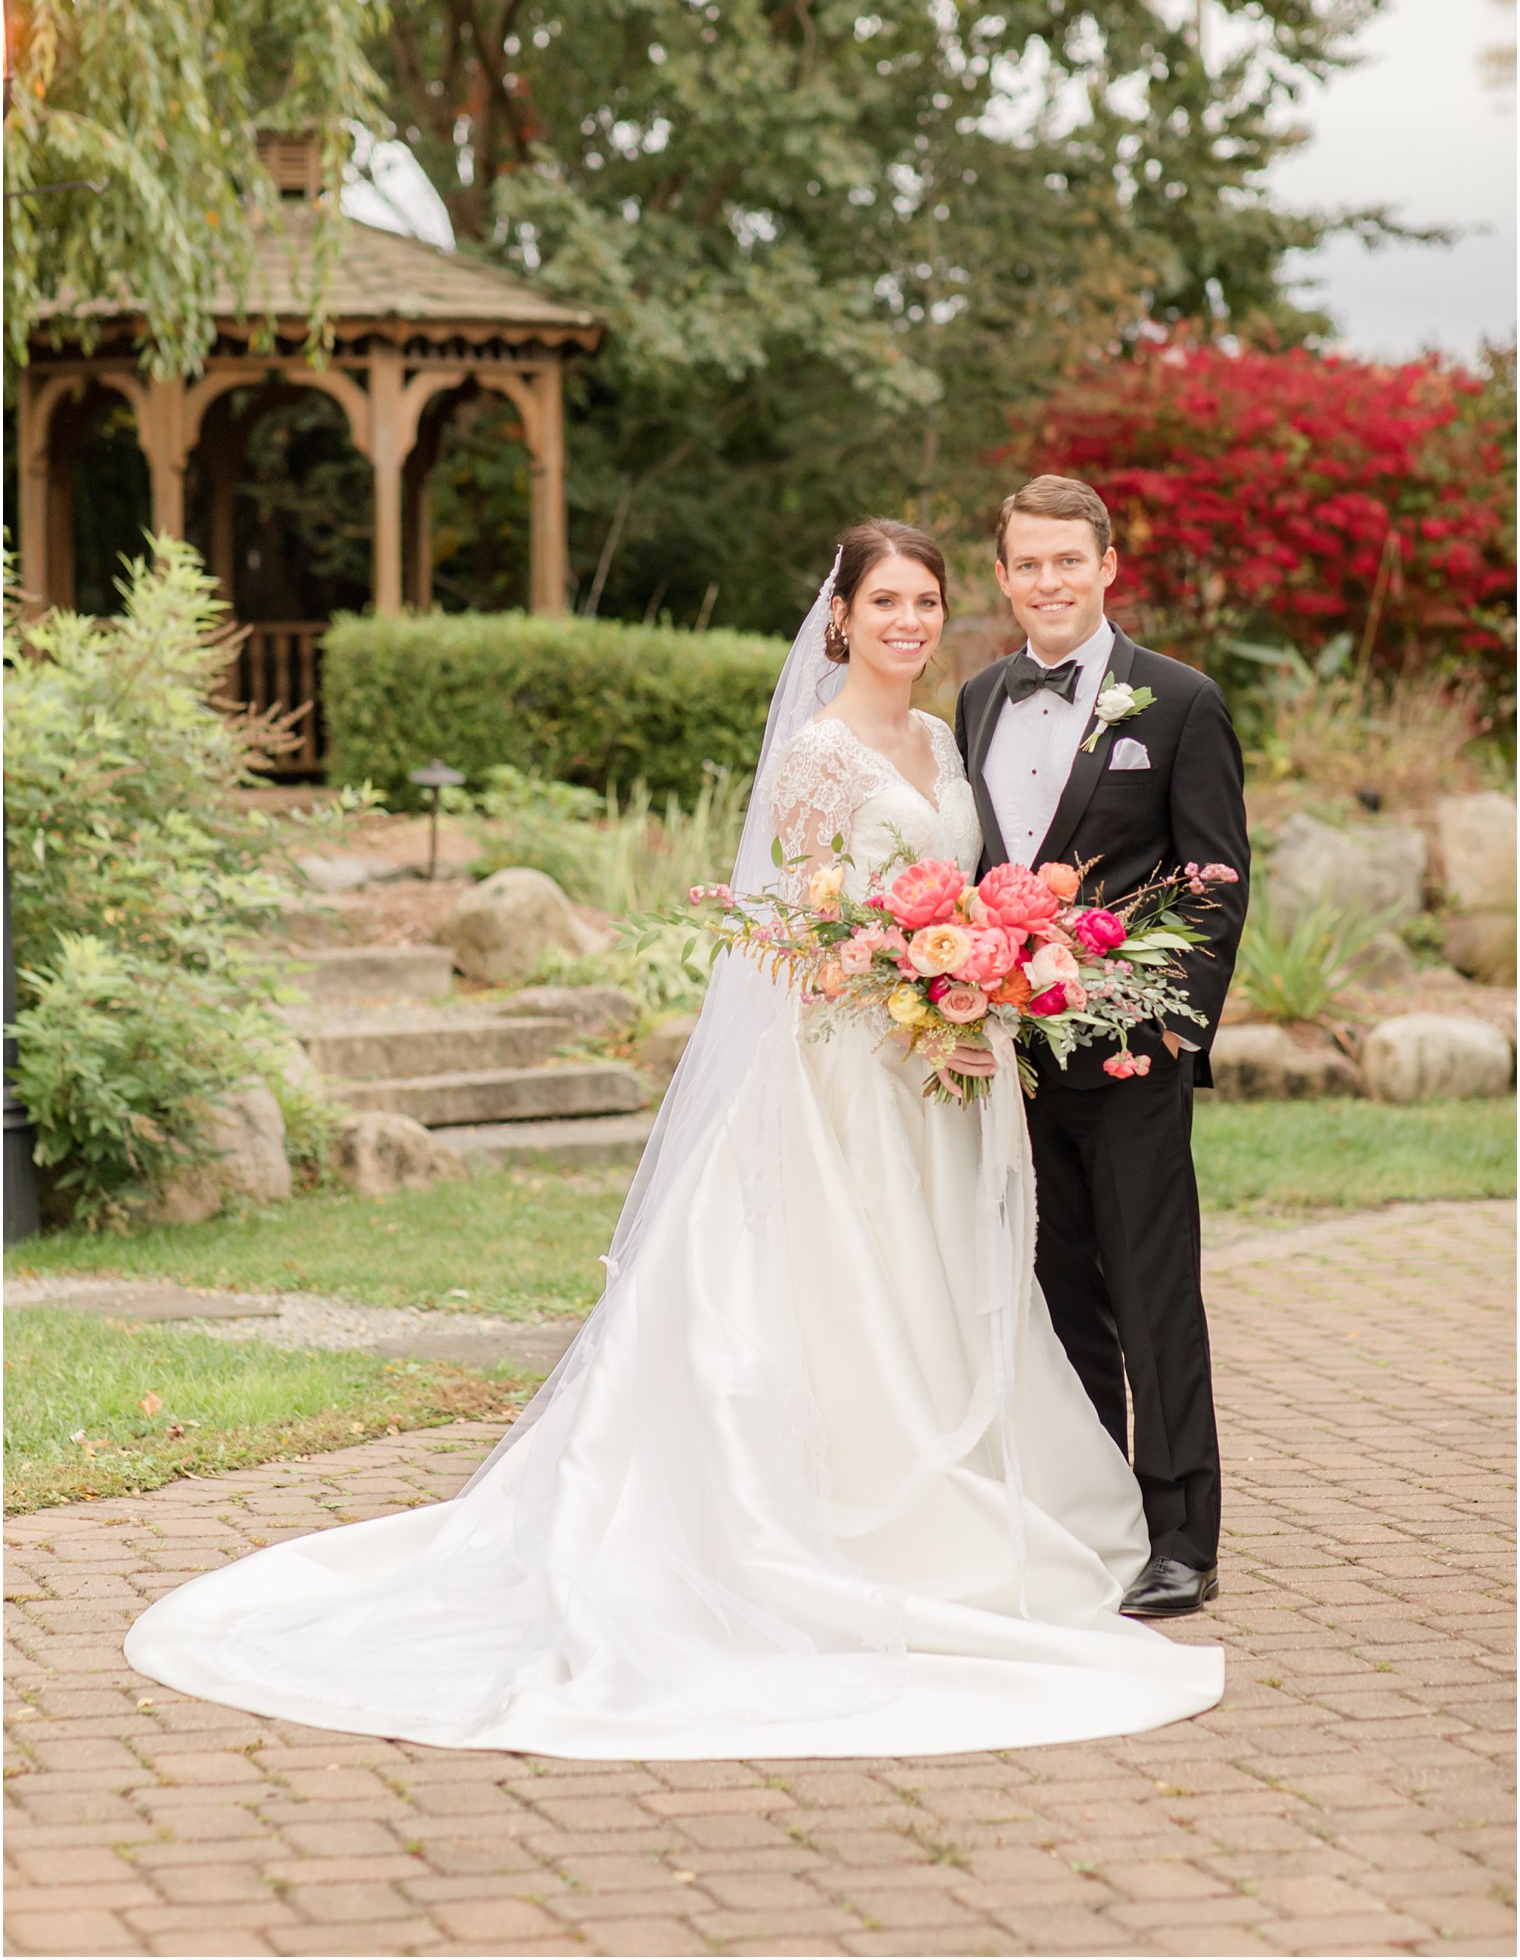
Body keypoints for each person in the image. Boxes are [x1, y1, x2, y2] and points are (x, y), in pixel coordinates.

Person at [125, 519, 1224, 1757]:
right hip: (845, 1084)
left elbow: (990, 892)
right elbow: (798, 936)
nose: (908, 622)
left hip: (953, 1077)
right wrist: (910, 1003)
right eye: (885, 603)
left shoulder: (942, 730)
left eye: (924, 600)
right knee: (849, 1297)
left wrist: (970, 988)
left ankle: (1071, 1510)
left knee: (977, 1287)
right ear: (841, 618)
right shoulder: (817, 757)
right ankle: (859, 1526)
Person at [955, 477, 1250, 1619]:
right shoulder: (978, 698)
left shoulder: (1178, 702)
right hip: (1011, 1058)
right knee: (1053, 1288)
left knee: (1149, 1290)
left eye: (1065, 562)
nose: (1046, 583)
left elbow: (1214, 882)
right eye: (1025, 564)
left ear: (1107, 565)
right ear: (1001, 575)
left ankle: (1182, 1533)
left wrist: (1171, 1028)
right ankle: (1091, 1517)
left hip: (1130, 1057)